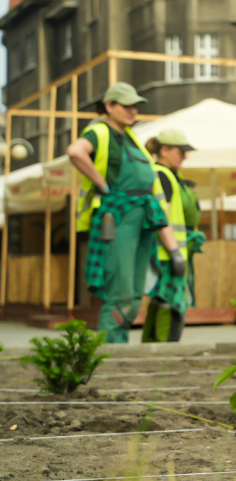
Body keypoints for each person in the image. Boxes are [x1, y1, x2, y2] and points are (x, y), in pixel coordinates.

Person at [66, 82, 185, 344]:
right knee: (120, 291)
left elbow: (155, 200)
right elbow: (75, 152)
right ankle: (109, 353)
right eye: (127, 105)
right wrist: (103, 185)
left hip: (143, 218)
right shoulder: (100, 131)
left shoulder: (133, 140)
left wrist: (173, 249)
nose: (133, 111)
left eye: (135, 106)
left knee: (133, 294)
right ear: (109, 106)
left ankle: (119, 349)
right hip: (118, 217)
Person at [142, 130, 204, 342]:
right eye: (181, 152)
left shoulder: (172, 177)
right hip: (166, 253)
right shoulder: (162, 176)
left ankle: (153, 352)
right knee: (171, 303)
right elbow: (161, 217)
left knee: (164, 302)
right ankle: (162, 353)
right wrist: (174, 251)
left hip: (171, 251)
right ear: (164, 150)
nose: (184, 157)